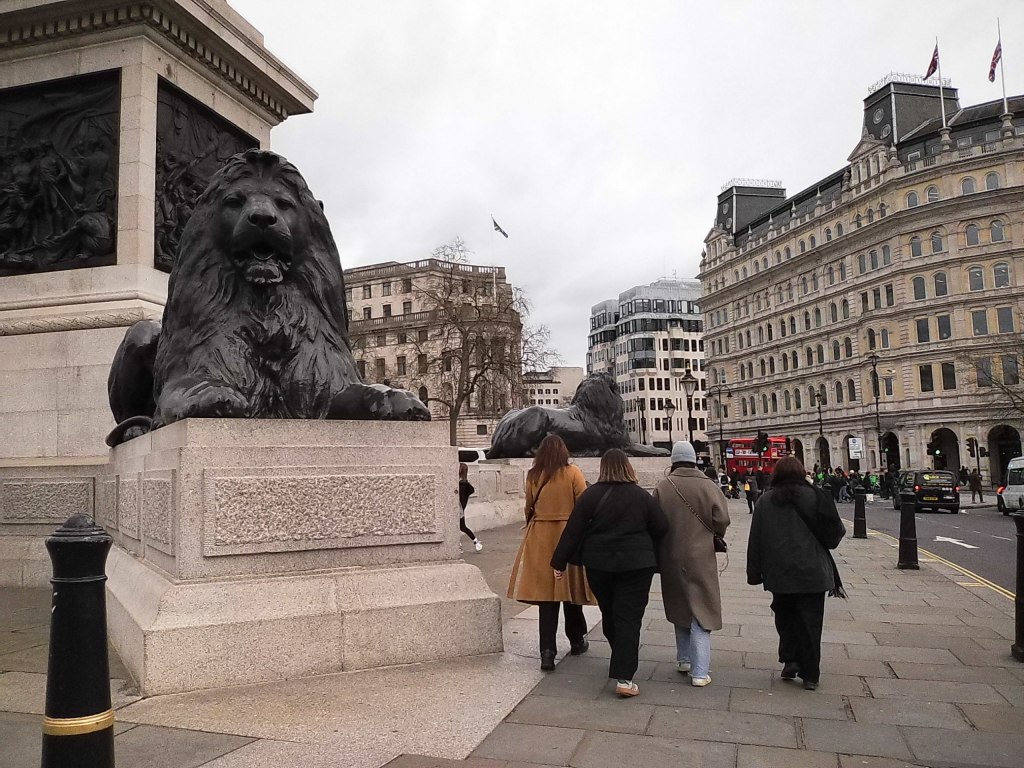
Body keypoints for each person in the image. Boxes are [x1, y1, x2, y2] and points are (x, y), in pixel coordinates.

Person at [551, 449, 668, 698]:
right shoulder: (641, 496)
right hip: (637, 565)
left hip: (599, 564)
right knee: (629, 617)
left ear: (603, 468)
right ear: (628, 467)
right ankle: (624, 676)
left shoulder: (591, 496)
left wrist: (559, 563)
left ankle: (620, 658)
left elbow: (573, 531)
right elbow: (662, 526)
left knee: (610, 612)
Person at [747, 456, 846, 691]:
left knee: (785, 616)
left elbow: (756, 540)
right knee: (811, 622)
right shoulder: (818, 496)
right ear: (802, 473)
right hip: (812, 572)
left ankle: (790, 659)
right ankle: (811, 673)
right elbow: (835, 534)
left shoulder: (766, 500)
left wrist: (754, 573)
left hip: (779, 572)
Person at [508, 434, 593, 671]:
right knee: (570, 593)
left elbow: (528, 506)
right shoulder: (573, 472)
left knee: (547, 597)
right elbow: (584, 504)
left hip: (541, 536)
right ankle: (576, 639)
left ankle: (547, 652)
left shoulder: (534, 475)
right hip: (569, 535)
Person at [653, 441, 731, 687]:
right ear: (695, 459)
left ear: (674, 460)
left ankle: (684, 659)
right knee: (702, 611)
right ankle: (700, 671)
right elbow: (722, 520)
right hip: (701, 556)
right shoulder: (708, 485)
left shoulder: (664, 486)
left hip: (671, 555)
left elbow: (655, 522)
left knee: (680, 606)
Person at [458, 463, 482, 552]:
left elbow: (459, 498)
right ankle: (476, 541)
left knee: (459, 527)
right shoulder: (465, 484)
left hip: (457, 509)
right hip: (460, 509)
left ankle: (458, 546)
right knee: (462, 527)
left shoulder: (461, 485)